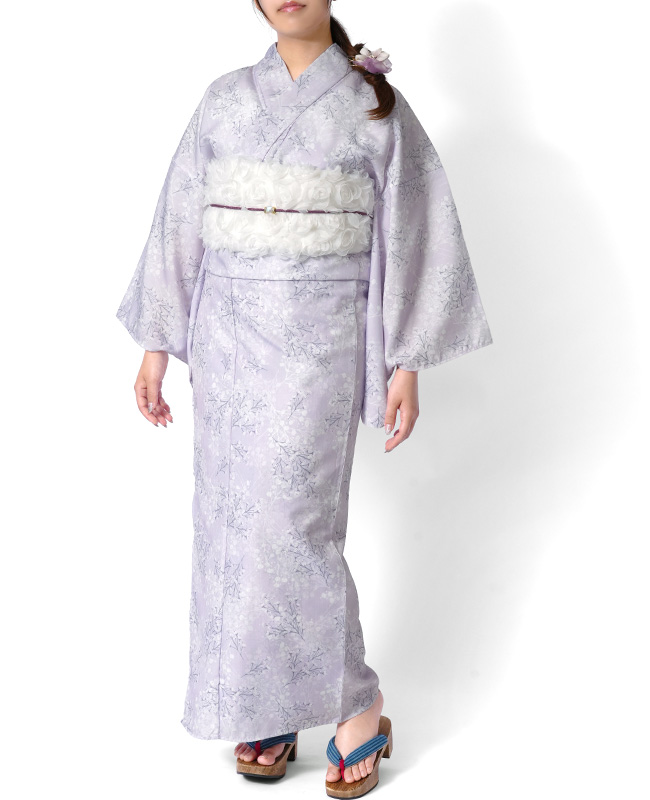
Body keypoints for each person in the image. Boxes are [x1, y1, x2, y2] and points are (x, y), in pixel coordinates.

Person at [116, 1, 493, 795]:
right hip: (226, 342)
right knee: (230, 526)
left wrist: (406, 360)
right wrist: (157, 343)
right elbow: (181, 217)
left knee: (295, 526)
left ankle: (358, 701)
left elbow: (414, 229)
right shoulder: (224, 99)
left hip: (322, 342)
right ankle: (269, 701)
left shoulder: (374, 104)